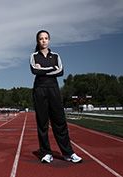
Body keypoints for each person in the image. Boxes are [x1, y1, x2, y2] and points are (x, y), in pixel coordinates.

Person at [30, 30, 82, 163]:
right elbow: (35, 70)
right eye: (41, 38)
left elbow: (61, 71)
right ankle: (46, 152)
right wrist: (51, 69)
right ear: (38, 41)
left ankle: (68, 153)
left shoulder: (56, 55)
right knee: (42, 123)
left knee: (60, 121)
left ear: (49, 40)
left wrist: (43, 70)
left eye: (46, 38)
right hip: (40, 90)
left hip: (53, 89)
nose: (43, 40)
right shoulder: (34, 56)